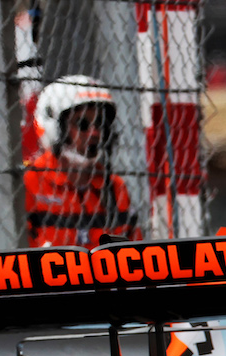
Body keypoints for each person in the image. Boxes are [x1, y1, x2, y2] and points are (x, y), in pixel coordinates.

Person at [25, 75, 141, 248]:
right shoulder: (30, 184)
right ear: (54, 126)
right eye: (82, 124)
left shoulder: (116, 188)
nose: (94, 133)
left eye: (100, 123)